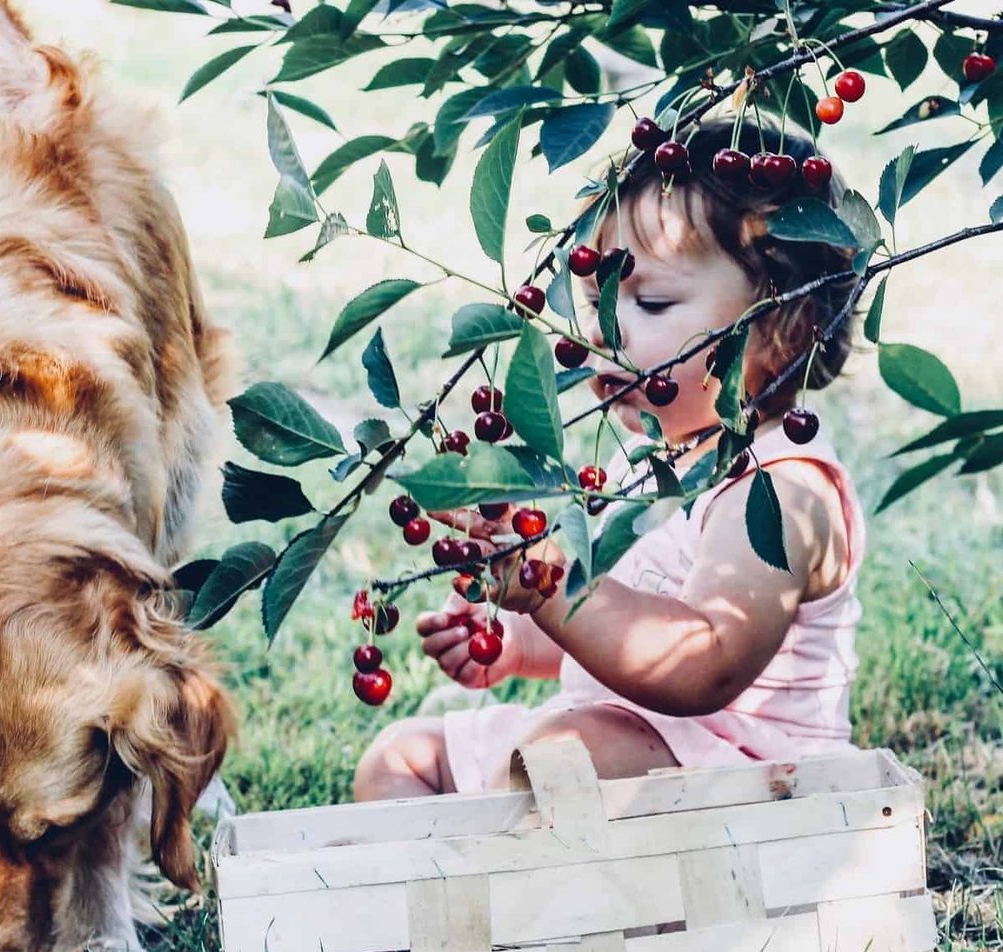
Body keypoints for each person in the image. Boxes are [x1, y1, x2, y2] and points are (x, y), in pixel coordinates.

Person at [353, 116, 867, 800]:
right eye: (599, 298)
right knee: (401, 756)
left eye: (649, 301)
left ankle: (516, 896)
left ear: (782, 327)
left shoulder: (782, 491)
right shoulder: (648, 461)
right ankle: (450, 899)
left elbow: (703, 662)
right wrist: (518, 639)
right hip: (611, 734)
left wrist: (551, 590)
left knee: (560, 762)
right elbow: (610, 631)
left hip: (743, 781)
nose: (603, 333)